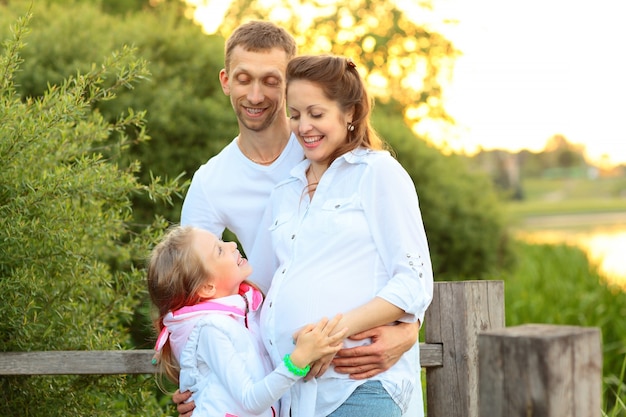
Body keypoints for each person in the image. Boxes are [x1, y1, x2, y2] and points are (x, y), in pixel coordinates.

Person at [177, 20, 421, 416]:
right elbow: (199, 290)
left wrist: (410, 329)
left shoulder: (362, 166)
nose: (256, 95)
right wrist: (201, 378)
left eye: (270, 81)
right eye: (244, 79)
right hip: (284, 388)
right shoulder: (279, 188)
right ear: (226, 81)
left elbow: (407, 269)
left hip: (353, 381)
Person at [248, 54, 434, 417]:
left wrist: (328, 337)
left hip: (358, 389)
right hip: (294, 398)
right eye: (295, 113)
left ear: (349, 113)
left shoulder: (377, 173)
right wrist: (208, 375)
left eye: (316, 114)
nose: (304, 126)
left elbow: (414, 281)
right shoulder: (284, 192)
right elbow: (256, 290)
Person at [148, 225, 348, 417]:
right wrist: (299, 360)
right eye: (219, 250)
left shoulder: (246, 315)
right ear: (207, 287)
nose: (232, 245)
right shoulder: (211, 329)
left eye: (221, 241)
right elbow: (250, 400)